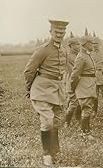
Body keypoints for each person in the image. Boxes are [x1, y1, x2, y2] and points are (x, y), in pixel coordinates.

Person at [24, 19, 69, 166]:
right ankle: (46, 154)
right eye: (56, 32)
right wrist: (30, 88)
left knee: (57, 120)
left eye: (62, 32)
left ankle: (55, 150)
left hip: (57, 91)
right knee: (47, 121)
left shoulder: (63, 50)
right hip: (42, 90)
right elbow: (29, 71)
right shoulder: (43, 50)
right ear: (50, 32)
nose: (59, 35)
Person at [70, 28, 96, 140]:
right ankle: (84, 133)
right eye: (91, 43)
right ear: (85, 44)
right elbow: (75, 75)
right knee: (87, 109)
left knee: (87, 108)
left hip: (89, 85)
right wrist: (73, 87)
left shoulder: (87, 55)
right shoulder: (81, 57)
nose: (93, 45)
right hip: (84, 86)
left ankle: (86, 130)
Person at [64, 32, 81, 127]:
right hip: (72, 81)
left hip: (79, 81)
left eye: (79, 44)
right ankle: (67, 122)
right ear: (71, 46)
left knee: (79, 101)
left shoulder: (79, 55)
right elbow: (72, 72)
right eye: (77, 44)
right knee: (74, 102)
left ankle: (77, 118)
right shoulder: (68, 57)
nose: (79, 46)